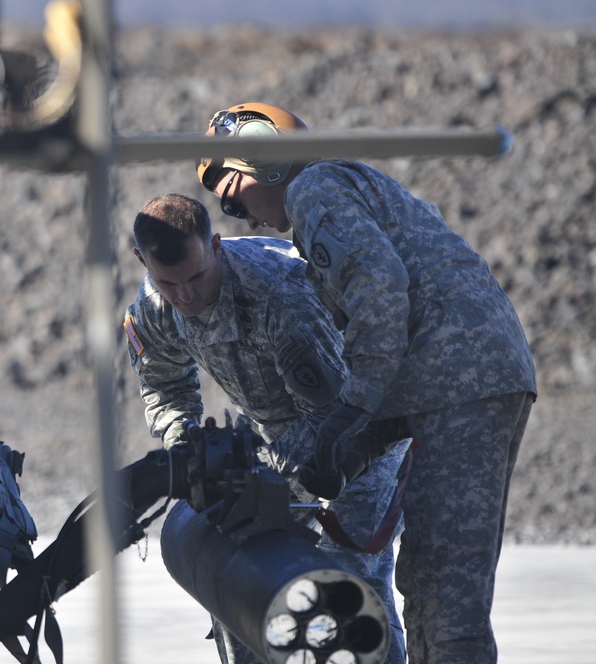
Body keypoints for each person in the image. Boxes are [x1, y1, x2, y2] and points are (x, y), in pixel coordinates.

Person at [197, 102, 537, 664]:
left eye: (230, 191)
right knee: (430, 583)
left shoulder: (316, 191)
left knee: (446, 600)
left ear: (265, 157)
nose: (237, 215)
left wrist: (348, 410)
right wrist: (321, 456)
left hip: (460, 382)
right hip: (455, 381)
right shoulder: (334, 191)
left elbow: (379, 294)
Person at [124, 193, 409, 664]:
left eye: (195, 276)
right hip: (273, 438)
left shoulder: (281, 294)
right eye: (168, 282)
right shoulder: (155, 304)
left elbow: (335, 415)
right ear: (142, 261)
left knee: (346, 586)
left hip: (361, 438)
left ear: (215, 246)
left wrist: (256, 477)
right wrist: (189, 452)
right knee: (236, 575)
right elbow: (163, 385)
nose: (185, 296)